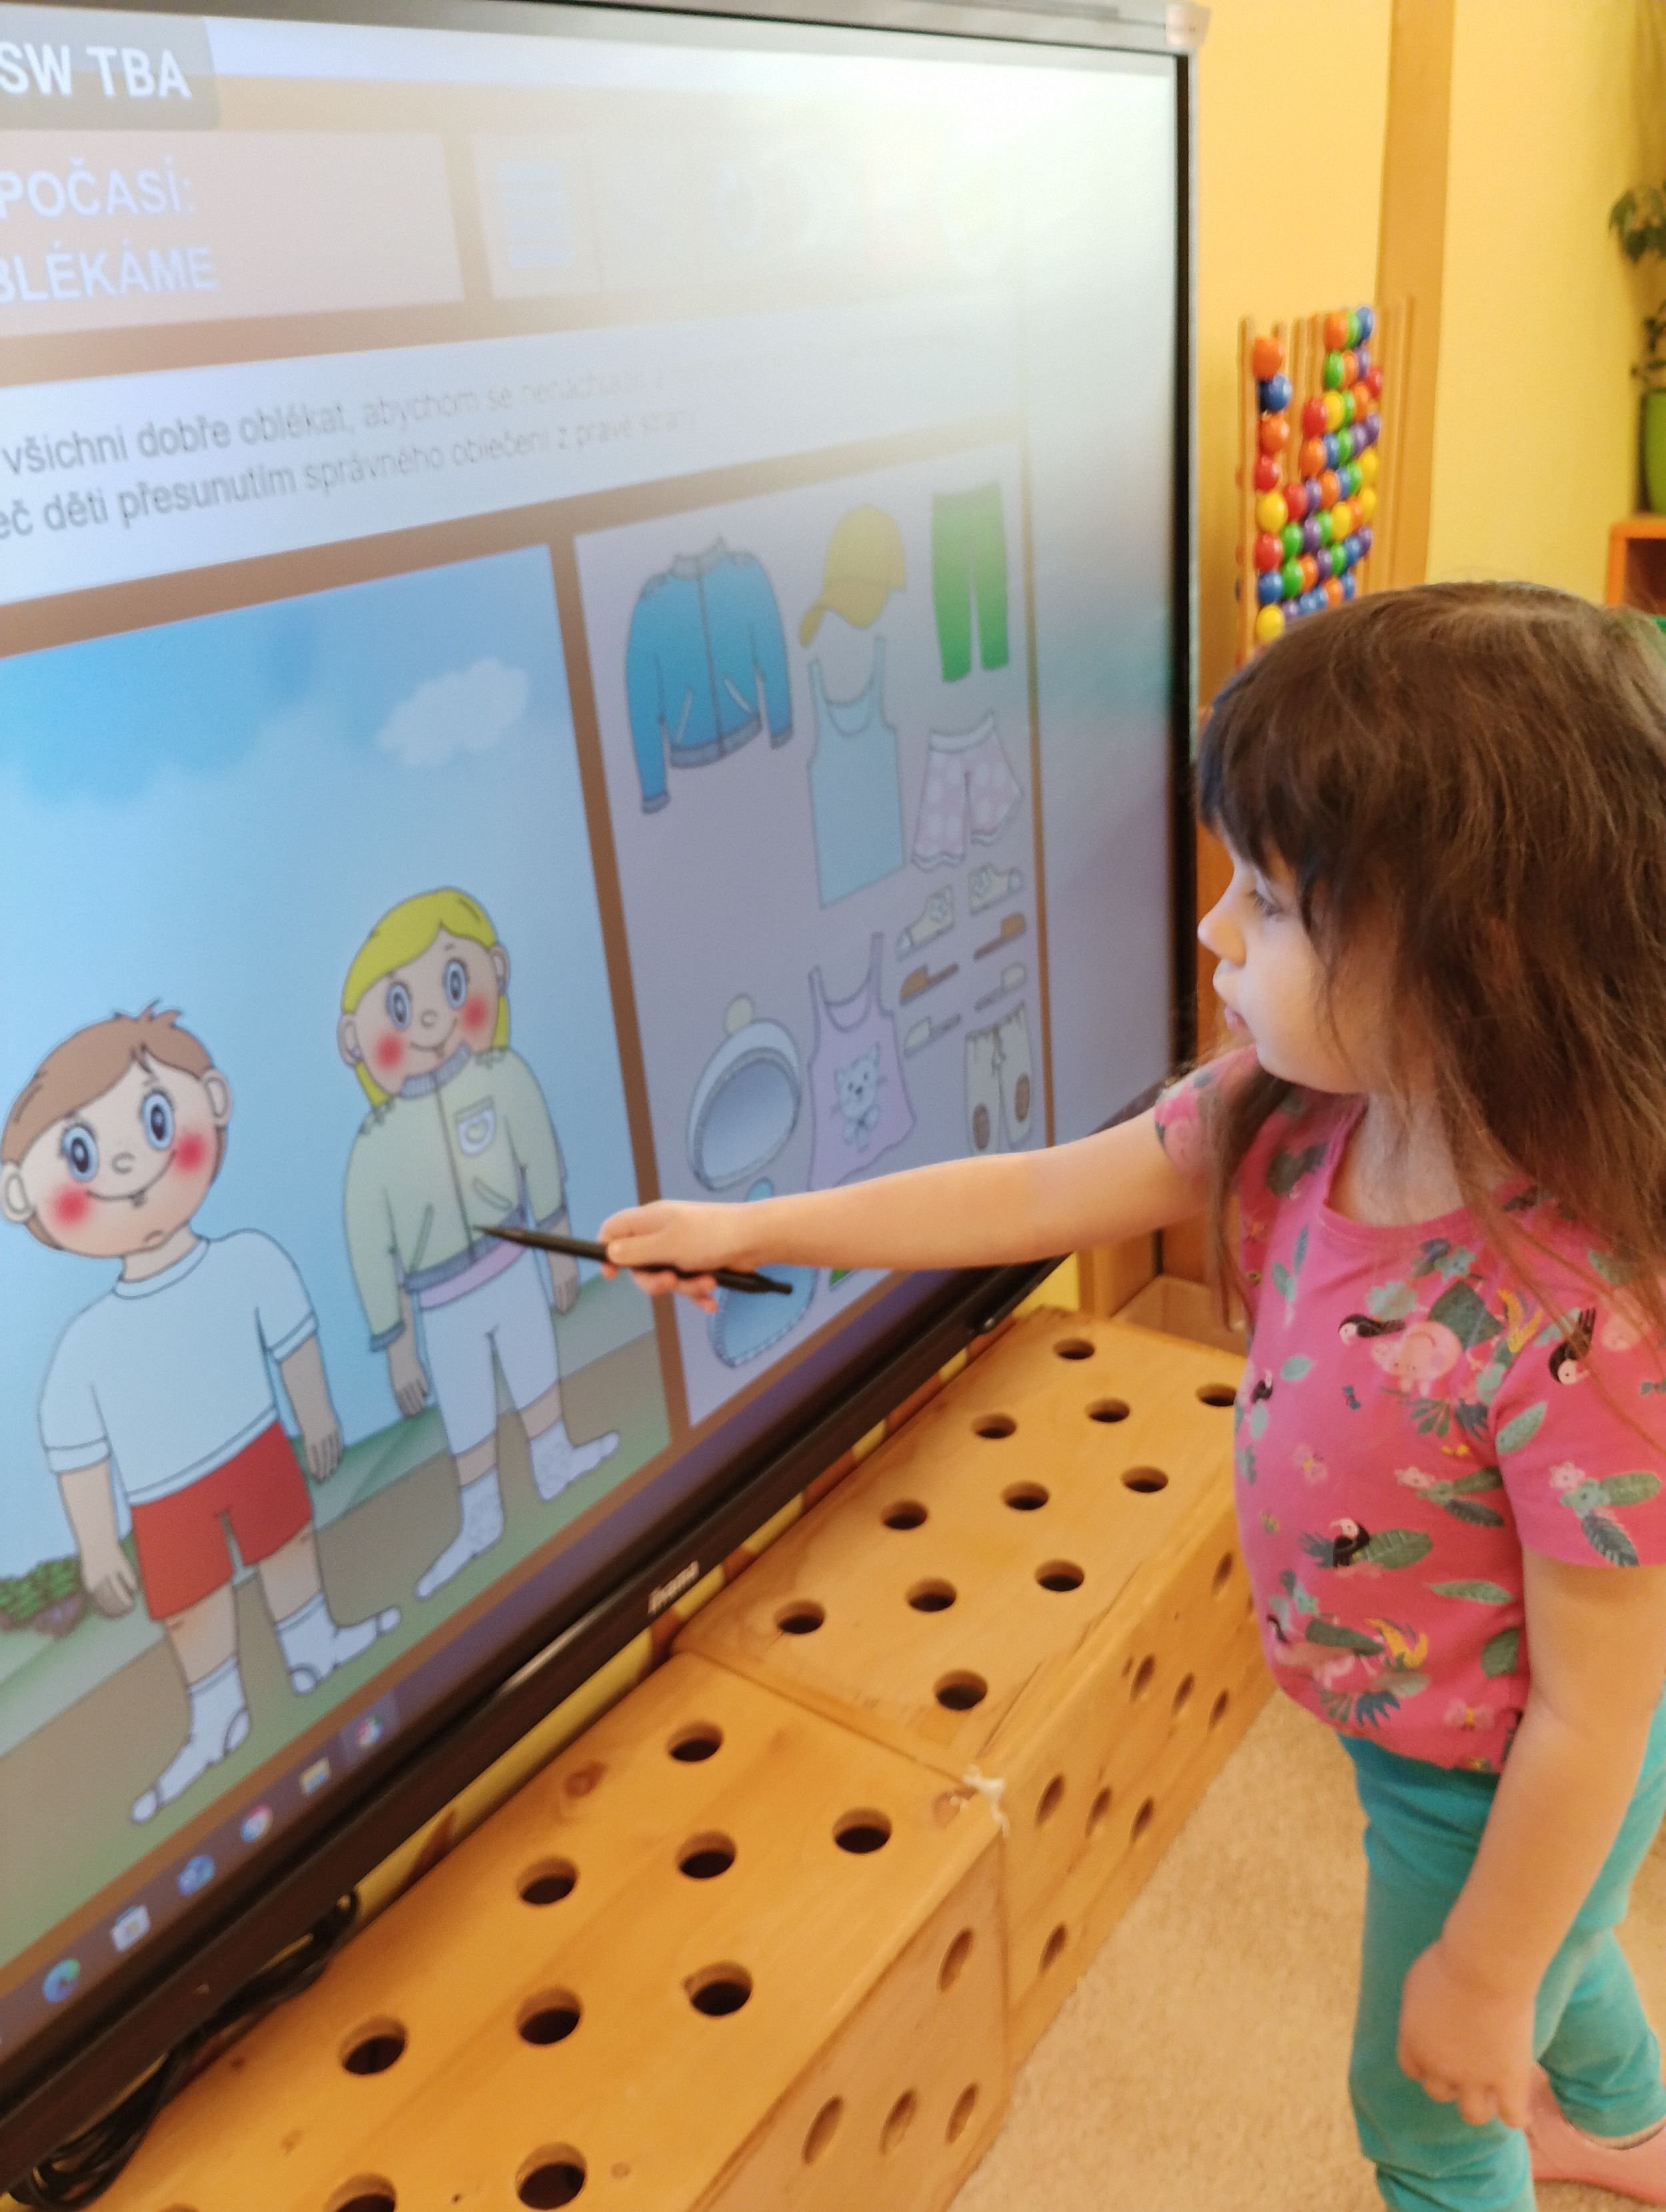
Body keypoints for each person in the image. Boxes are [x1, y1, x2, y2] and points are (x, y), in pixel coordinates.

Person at [596, 583, 1666, 2212]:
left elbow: (1598, 1718)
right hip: (1411, 1728)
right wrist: (757, 1228)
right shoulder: (1290, 1111)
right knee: (1555, 1974)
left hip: (1501, 1779)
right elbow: (1033, 1195)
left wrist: (1480, 1967)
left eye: (1271, 902)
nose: (1215, 934)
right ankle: (1631, 2128)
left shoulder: (1584, 1323)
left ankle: (1550, 2094)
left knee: (1430, 2110)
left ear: (1482, 956)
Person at [0, 1009, 399, 1826]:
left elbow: (293, 1339)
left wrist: (318, 1413)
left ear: (212, 1100)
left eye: (156, 1120)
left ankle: (313, 1643)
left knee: (288, 1543)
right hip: (162, 1496)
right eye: (82, 1154)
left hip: (254, 1447)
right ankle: (216, 1715)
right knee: (190, 1603)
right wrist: (97, 1545)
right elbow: (77, 1451)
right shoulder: (83, 1345)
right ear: (20, 1195)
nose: (126, 1164)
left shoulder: (247, 1261)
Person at [339, 888, 618, 1602]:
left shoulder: (503, 1077)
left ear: (495, 971)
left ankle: (553, 1459)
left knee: (534, 1363)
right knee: (463, 1405)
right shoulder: (374, 1145)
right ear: (353, 1041)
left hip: (513, 1263)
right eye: (398, 1006)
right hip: (440, 1302)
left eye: (454, 983)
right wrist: (396, 1342)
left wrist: (562, 1251)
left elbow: (540, 1159)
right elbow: (371, 1248)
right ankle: (481, 1515)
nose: (431, 1017)